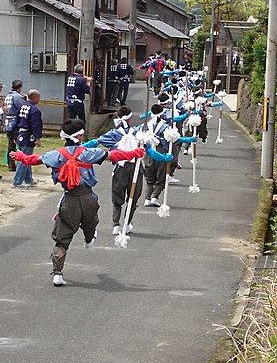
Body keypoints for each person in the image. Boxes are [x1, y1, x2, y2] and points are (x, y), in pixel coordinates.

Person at [11, 119, 144, 286]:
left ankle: (57, 274)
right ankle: (89, 239)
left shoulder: (56, 154)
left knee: (62, 238)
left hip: (69, 199)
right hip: (88, 197)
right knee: (91, 222)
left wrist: (21, 157)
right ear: (79, 135)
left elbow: (35, 159)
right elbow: (113, 156)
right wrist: (135, 153)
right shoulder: (87, 152)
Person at [90, 107, 172, 235]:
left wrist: (78, 149)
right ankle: (127, 222)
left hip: (119, 169)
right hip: (135, 169)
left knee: (117, 196)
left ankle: (116, 224)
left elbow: (96, 142)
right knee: (133, 196)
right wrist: (165, 158)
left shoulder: (113, 133)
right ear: (129, 118)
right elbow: (150, 152)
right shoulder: (138, 133)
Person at [12, 89, 42, 189]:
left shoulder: (22, 106)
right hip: (28, 136)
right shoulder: (35, 110)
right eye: (38, 97)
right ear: (34, 97)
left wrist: (14, 134)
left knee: (25, 157)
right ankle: (17, 181)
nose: (39, 99)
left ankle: (28, 179)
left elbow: (16, 121)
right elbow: (36, 125)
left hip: (20, 134)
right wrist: (37, 138)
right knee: (25, 159)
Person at [3, 79, 26, 172]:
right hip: (15, 122)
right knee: (18, 143)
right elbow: (23, 108)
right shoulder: (18, 97)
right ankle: (20, 163)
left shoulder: (8, 96)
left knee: (11, 144)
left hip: (8, 122)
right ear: (20, 87)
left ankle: (10, 164)